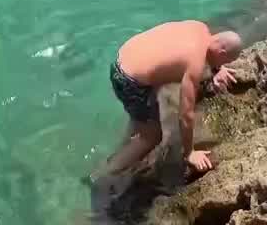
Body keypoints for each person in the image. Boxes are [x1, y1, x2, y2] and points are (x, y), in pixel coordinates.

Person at [99, 20, 242, 185]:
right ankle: (105, 175)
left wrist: (218, 68)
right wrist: (189, 153)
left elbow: (204, 50)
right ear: (222, 52)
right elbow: (186, 114)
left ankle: (130, 144)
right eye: (224, 61)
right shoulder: (195, 63)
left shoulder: (199, 27)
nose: (222, 66)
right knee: (152, 136)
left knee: (144, 116)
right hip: (129, 81)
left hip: (123, 57)